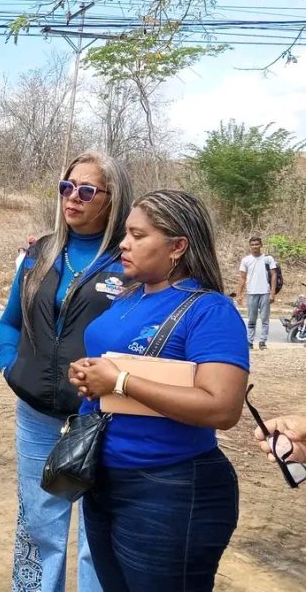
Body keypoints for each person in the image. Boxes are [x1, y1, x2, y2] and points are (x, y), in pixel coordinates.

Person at [69, 189, 249, 592]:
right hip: (104, 478)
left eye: (137, 235)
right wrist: (87, 376)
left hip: (169, 489)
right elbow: (112, 363)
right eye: (126, 234)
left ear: (177, 246)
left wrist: (119, 382)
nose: (123, 243)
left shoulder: (209, 310)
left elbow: (222, 408)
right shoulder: (131, 298)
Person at [0, 151, 133, 592]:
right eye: (66, 187)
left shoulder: (128, 261)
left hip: (103, 418)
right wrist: (10, 366)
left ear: (112, 200)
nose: (72, 198)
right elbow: (9, 321)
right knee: (38, 526)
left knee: (97, 536)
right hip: (36, 415)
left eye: (86, 190)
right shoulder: (41, 251)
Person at [233, 235, 278, 349]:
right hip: (251, 292)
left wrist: (272, 293)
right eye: (252, 245)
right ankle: (249, 341)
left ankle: (263, 342)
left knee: (265, 319)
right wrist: (239, 294)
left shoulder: (268, 259)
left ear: (261, 245)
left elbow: (273, 275)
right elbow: (242, 278)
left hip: (265, 292)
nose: (255, 247)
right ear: (250, 246)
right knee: (252, 319)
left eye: (257, 244)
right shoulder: (246, 260)